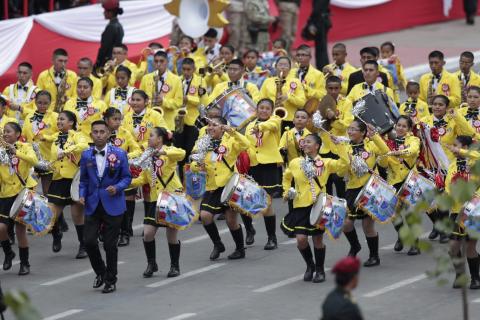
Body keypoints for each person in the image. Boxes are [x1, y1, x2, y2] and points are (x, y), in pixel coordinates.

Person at [282, 133, 347, 283]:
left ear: (317, 146)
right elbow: (286, 177)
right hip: (299, 206)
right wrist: (287, 192)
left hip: (319, 206)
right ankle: (310, 266)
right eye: (303, 142)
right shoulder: (295, 162)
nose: (305, 144)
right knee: (301, 239)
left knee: (318, 240)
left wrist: (340, 145)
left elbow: (343, 165)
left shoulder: (326, 162)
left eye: (309, 142)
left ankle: (319, 269)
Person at [79, 120, 132, 294]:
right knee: (89, 241)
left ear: (109, 134)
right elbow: (84, 179)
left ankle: (111, 279)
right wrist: (81, 194)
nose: (99, 135)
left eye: (102, 132)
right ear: (91, 134)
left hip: (113, 203)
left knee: (110, 245)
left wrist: (116, 188)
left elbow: (126, 178)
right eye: (96, 132)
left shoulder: (119, 153)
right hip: (93, 203)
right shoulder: (86, 155)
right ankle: (100, 272)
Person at [190, 117, 250, 260]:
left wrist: (233, 132)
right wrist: (199, 166)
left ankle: (240, 249)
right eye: (209, 125)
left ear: (222, 127)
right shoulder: (202, 142)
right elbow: (193, 163)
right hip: (212, 185)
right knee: (205, 216)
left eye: (214, 125)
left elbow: (246, 144)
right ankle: (218, 244)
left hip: (229, 185)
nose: (210, 128)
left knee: (231, 220)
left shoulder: (230, 140)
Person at [130, 127, 186, 278]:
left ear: (160, 139)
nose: (148, 138)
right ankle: (151, 263)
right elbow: (143, 178)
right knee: (148, 233)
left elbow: (182, 154)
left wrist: (163, 152)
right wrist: (126, 183)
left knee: (171, 235)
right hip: (156, 199)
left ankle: (175, 266)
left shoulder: (169, 151)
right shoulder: (147, 155)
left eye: (152, 136)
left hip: (172, 198)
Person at [419, 95, 475, 242]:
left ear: (446, 107)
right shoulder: (425, 121)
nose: (437, 107)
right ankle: (437, 224)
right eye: (435, 104)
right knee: (427, 199)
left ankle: (444, 230)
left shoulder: (452, 120)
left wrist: (456, 117)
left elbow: (468, 133)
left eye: (441, 105)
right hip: (430, 166)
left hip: (448, 166)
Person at [339, 119, 390, 266]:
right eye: (349, 129)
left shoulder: (371, 145)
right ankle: (355, 246)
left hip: (370, 189)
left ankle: (374, 256)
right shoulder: (345, 147)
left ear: (362, 133)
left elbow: (386, 152)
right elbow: (341, 171)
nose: (350, 131)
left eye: (354, 129)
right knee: (346, 224)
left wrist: (374, 136)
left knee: (368, 226)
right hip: (352, 189)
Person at [47, 110, 88, 258]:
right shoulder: (55, 137)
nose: (58, 122)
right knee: (51, 216)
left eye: (62, 119)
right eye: (58, 119)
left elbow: (84, 146)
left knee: (77, 215)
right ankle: (56, 234)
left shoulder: (78, 136)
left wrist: (67, 150)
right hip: (58, 180)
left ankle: (83, 245)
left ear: (71, 122)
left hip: (74, 180)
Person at [378, 116, 421, 255]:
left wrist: (398, 152)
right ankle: (402, 236)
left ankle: (415, 242)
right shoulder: (389, 143)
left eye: (404, 126)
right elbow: (383, 165)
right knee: (393, 214)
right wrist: (384, 155)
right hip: (393, 181)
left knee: (409, 213)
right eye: (398, 125)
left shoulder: (413, 140)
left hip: (409, 180)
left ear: (409, 129)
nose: (400, 128)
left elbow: (413, 151)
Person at [243, 99, 282, 249]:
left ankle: (272, 238)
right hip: (252, 166)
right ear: (256, 109)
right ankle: (249, 229)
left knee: (266, 203)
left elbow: (271, 125)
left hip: (269, 165)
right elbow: (247, 144)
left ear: (271, 111)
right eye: (261, 108)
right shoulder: (249, 126)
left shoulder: (275, 120)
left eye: (267, 108)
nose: (264, 110)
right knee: (244, 200)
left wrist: (259, 126)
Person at [0, 122, 38, 275]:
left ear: (17, 134)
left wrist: (15, 151)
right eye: (4, 132)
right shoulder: (0, 150)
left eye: (9, 131)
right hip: (6, 193)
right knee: (2, 228)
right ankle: (8, 252)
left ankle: (25, 263)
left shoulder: (25, 147)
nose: (5, 134)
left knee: (20, 230)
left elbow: (34, 161)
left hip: (23, 192)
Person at [444, 136, 480, 289]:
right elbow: (448, 186)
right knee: (453, 247)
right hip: (456, 211)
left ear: (464, 147)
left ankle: (475, 278)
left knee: (470, 246)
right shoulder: (452, 164)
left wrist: (461, 151)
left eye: (456, 146)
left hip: (473, 210)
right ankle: (460, 275)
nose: (453, 148)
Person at [103, 108, 141, 246]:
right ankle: (105, 230)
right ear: (106, 120)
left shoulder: (125, 133)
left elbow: (137, 150)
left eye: (119, 119)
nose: (118, 122)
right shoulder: (100, 132)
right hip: (103, 173)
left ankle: (125, 233)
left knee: (123, 202)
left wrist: (124, 157)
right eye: (114, 119)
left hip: (120, 172)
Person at [174, 58, 207, 181]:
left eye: (189, 69)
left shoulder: (200, 81)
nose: (186, 72)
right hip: (179, 120)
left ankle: (193, 179)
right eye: (184, 69)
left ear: (193, 69)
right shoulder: (178, 80)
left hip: (193, 121)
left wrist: (187, 98)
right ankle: (182, 180)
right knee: (180, 150)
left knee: (190, 149)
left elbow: (200, 100)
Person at [21, 91, 59, 196]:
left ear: (50, 103)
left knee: (47, 192)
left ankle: (53, 212)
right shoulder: (29, 116)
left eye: (45, 103)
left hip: (47, 158)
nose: (42, 105)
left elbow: (61, 133)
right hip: (31, 158)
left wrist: (47, 138)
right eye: (39, 102)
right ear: (35, 102)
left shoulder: (55, 116)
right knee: (29, 193)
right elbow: (23, 135)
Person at [140, 50, 183, 131]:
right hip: (148, 123)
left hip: (167, 124)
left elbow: (179, 103)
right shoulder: (146, 78)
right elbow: (140, 99)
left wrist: (163, 101)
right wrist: (149, 102)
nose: (158, 64)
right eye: (156, 61)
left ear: (167, 62)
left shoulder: (176, 80)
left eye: (161, 61)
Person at [260, 56, 306, 132]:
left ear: (290, 68)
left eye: (286, 65)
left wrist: (288, 97)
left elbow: (302, 102)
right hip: (270, 119)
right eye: (280, 65)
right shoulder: (267, 81)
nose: (283, 67)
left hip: (289, 120)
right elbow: (261, 100)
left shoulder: (296, 82)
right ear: (275, 66)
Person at [64, 77, 107, 142]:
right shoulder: (69, 103)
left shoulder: (101, 105)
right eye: (79, 87)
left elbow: (106, 125)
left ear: (92, 89)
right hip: (72, 141)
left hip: (92, 141)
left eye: (85, 87)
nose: (82, 89)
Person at [95, 0, 124, 70]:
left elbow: (104, 48)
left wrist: (98, 62)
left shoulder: (111, 27)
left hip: (106, 62)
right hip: (113, 59)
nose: (103, 13)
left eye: (105, 11)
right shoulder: (119, 25)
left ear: (110, 13)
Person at [303, 0, 331, 70]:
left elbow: (317, 11)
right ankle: (324, 65)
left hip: (319, 22)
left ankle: (322, 67)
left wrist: (310, 21)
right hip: (323, 20)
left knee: (320, 47)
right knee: (322, 46)